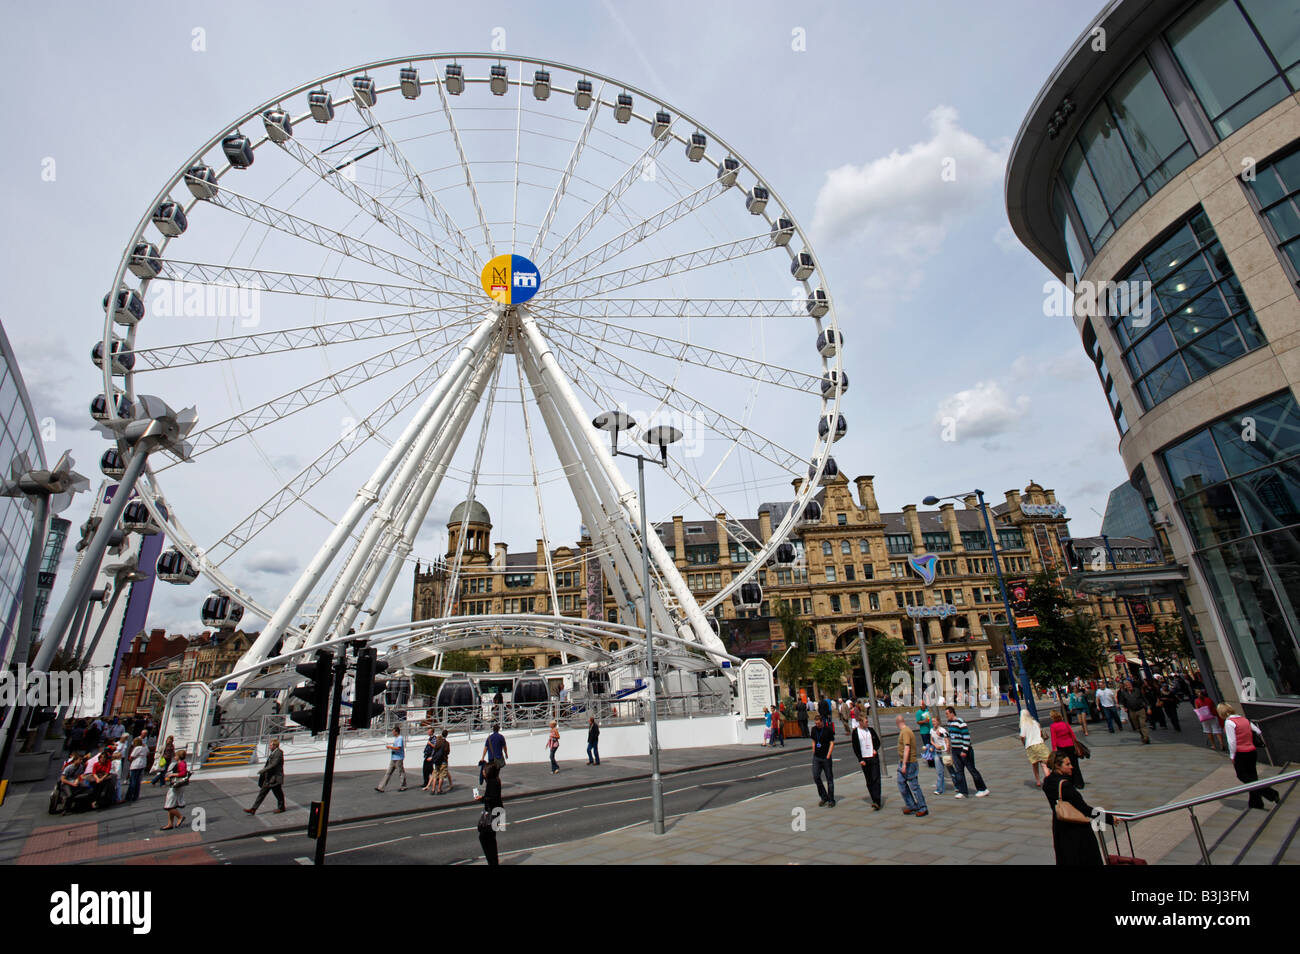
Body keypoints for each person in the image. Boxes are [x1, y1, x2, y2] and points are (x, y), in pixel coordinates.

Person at [1042, 751, 1104, 865]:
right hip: (1076, 829)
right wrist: (1109, 818)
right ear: (1057, 766)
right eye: (1067, 764)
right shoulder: (1065, 786)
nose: (1072, 766)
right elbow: (1085, 809)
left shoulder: (1047, 782)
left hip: (1060, 826)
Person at [1220, 703, 1280, 810]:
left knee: (1242, 776)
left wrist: (1232, 756)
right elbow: (1258, 731)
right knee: (1252, 776)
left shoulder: (1229, 722)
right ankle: (1255, 803)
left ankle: (1271, 793)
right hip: (1251, 751)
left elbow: (1232, 742)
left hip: (1241, 753)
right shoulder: (1244, 719)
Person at [945, 706, 989, 798]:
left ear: (952, 713)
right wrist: (943, 734)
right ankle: (962, 791)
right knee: (959, 771)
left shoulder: (961, 722)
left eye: (947, 714)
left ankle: (983, 789)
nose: (946, 716)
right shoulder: (949, 723)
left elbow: (966, 737)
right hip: (955, 750)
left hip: (964, 750)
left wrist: (965, 750)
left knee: (971, 769)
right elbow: (951, 734)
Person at [894, 713, 927, 816]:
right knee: (901, 783)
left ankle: (922, 807)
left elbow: (907, 748)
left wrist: (904, 764)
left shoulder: (906, 732)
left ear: (897, 723)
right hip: (904, 762)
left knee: (914, 786)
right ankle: (911, 805)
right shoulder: (905, 731)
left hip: (909, 763)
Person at [244, 739, 286, 814]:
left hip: (275, 778)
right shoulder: (273, 752)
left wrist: (263, 770)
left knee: (278, 794)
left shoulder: (279, 753)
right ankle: (253, 809)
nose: (269, 746)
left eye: (271, 745)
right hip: (269, 778)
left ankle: (281, 807)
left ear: (275, 745)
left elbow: (273, 764)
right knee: (262, 793)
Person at [850, 717, 882, 810]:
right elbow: (855, 747)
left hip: (873, 757)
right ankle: (874, 798)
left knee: (876, 778)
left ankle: (877, 801)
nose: (867, 723)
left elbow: (877, 742)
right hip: (864, 759)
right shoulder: (856, 732)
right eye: (866, 722)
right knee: (869, 780)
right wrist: (860, 759)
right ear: (860, 722)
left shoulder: (871, 730)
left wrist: (875, 749)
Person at [476, 761, 504, 866]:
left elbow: (492, 798)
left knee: (484, 838)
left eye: (484, 770)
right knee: (490, 838)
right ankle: (493, 862)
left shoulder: (492, 782)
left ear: (489, 772)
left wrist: (482, 799)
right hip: (498, 811)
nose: (483, 771)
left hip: (494, 812)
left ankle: (492, 862)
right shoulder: (495, 780)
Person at [1049, 709, 1085, 788]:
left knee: (1065, 765)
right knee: (1075, 764)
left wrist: (1054, 749)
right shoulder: (1065, 724)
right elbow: (1072, 735)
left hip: (1061, 747)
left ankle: (1070, 782)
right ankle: (1079, 782)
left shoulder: (1053, 726)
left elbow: (1053, 739)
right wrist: (1076, 744)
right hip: (1071, 745)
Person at [1019, 707, 1051, 787]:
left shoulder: (1023, 725)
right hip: (1040, 743)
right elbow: (1040, 733)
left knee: (1034, 764)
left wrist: (1024, 744)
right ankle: (1048, 779)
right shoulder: (1035, 722)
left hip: (1030, 745)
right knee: (1044, 764)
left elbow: (1022, 736)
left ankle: (1038, 781)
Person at [810, 714, 836, 807]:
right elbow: (813, 741)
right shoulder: (813, 730)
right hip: (817, 757)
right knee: (816, 776)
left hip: (826, 757)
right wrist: (813, 750)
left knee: (829, 778)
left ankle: (831, 799)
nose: (817, 725)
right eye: (815, 723)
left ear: (822, 722)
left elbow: (832, 742)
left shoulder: (828, 730)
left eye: (818, 723)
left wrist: (828, 755)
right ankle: (824, 796)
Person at [160, 749, 189, 831]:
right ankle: (170, 823)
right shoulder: (181, 763)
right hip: (177, 785)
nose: (174, 757)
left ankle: (180, 817)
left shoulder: (181, 763)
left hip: (176, 785)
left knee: (169, 805)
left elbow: (183, 773)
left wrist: (173, 774)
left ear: (179, 757)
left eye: (176, 755)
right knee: (171, 804)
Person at [375, 725, 407, 792]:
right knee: (388, 772)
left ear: (396, 732)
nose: (392, 732)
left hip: (398, 758)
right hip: (394, 758)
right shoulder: (396, 738)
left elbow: (398, 748)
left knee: (401, 772)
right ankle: (381, 787)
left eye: (393, 731)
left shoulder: (400, 738)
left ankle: (403, 786)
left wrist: (390, 747)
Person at [1117, 679, 1150, 743]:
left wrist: (1148, 708)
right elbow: (1121, 702)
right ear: (1125, 686)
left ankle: (1146, 737)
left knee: (1142, 724)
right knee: (1137, 726)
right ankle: (1142, 735)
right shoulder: (1124, 693)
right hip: (1132, 711)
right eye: (1127, 685)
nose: (1129, 686)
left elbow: (1144, 699)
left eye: (1129, 684)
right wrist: (1123, 708)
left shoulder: (1137, 690)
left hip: (1140, 709)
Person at [930, 719, 953, 795]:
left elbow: (947, 742)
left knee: (951, 770)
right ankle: (939, 789)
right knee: (939, 772)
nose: (933, 723)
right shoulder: (931, 730)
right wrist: (935, 745)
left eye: (935, 721)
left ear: (938, 722)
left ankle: (958, 786)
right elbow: (931, 741)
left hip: (944, 752)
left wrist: (946, 750)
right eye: (932, 722)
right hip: (937, 752)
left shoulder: (943, 730)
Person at [126, 735, 148, 802]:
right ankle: (136, 795)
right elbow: (148, 753)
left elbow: (132, 756)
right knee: (138, 781)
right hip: (142, 764)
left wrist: (130, 759)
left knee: (133, 781)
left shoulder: (137, 748)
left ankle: (129, 796)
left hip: (136, 765)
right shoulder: (145, 747)